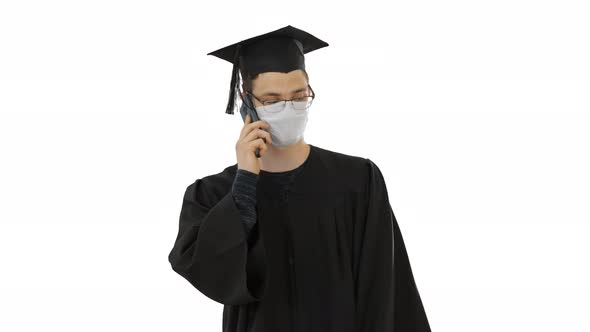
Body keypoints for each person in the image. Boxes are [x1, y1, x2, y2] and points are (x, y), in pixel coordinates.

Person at [168, 25, 432, 332]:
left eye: (298, 95)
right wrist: (244, 185)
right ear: (246, 100)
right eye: (272, 100)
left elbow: (386, 288)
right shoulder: (213, 193)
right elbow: (207, 274)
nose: (288, 107)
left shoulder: (357, 181)